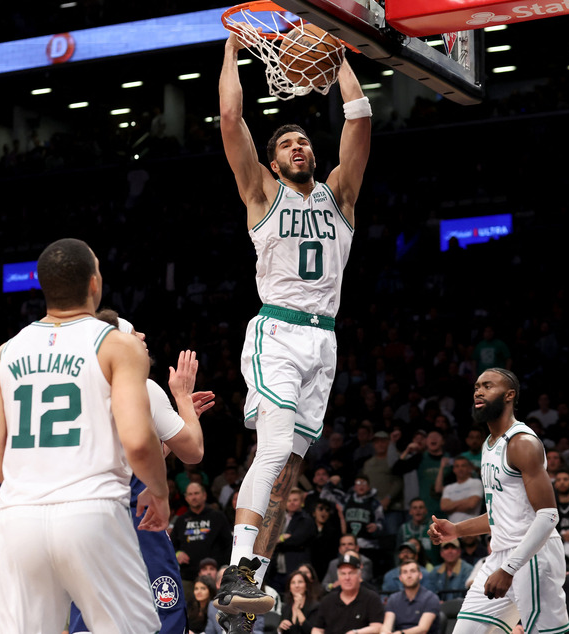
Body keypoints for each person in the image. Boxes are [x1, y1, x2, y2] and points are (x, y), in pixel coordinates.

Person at [215, 18, 372, 632]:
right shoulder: (262, 195)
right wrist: (232, 52)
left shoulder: (340, 197)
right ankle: (234, 567)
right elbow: (233, 124)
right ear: (274, 165)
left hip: (324, 340)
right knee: (273, 448)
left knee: (289, 474)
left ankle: (249, 580)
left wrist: (337, 61)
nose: (298, 146)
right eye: (285, 145)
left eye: (303, 140)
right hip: (277, 331)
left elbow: (359, 120)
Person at [0, 238, 170, 634]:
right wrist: (159, 491)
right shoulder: (119, 344)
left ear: (44, 287)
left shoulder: (5, 352)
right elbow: (138, 440)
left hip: (18, 519)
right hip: (92, 509)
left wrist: (37, 481)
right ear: (94, 283)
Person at [71, 310, 214, 634]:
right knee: (164, 606)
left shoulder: (76, 386)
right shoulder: (140, 386)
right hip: (130, 509)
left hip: (78, 513)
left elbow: (132, 456)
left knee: (91, 612)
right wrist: (182, 402)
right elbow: (193, 450)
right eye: (134, 332)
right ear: (115, 341)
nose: (143, 338)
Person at [428, 368, 569, 634]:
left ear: (509, 395)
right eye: (476, 387)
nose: (478, 391)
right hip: (501, 555)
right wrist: (457, 530)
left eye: (488, 386)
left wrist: (509, 569)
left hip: (533, 557)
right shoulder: (489, 444)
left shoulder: (522, 442)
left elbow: (549, 515)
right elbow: (502, 516)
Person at [309, 553, 384, 634]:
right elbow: (317, 629)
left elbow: (378, 627)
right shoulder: (327, 600)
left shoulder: (371, 598)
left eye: (351, 573)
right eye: (343, 574)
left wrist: (356, 632)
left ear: (359, 575)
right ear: (338, 577)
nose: (347, 578)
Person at [380, 561, 439, 634]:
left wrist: (400, 633)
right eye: (405, 572)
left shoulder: (431, 598)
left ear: (420, 575)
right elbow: (386, 626)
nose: (409, 575)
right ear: (400, 578)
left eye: (413, 571)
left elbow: (423, 629)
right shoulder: (393, 599)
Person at [439, 455, 484, 525]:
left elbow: (471, 505)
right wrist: (465, 500)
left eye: (463, 466)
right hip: (453, 529)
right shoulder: (448, 488)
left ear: (469, 468)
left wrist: (451, 506)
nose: (460, 469)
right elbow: (444, 507)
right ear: (454, 469)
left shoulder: (476, 483)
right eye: (457, 466)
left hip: (471, 529)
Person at [279, 569, 320, 634]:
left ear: (306, 586)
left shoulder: (315, 606)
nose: (296, 585)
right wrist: (280, 628)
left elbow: (312, 631)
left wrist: (297, 609)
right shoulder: (285, 608)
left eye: (300, 582)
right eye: (293, 583)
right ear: (290, 588)